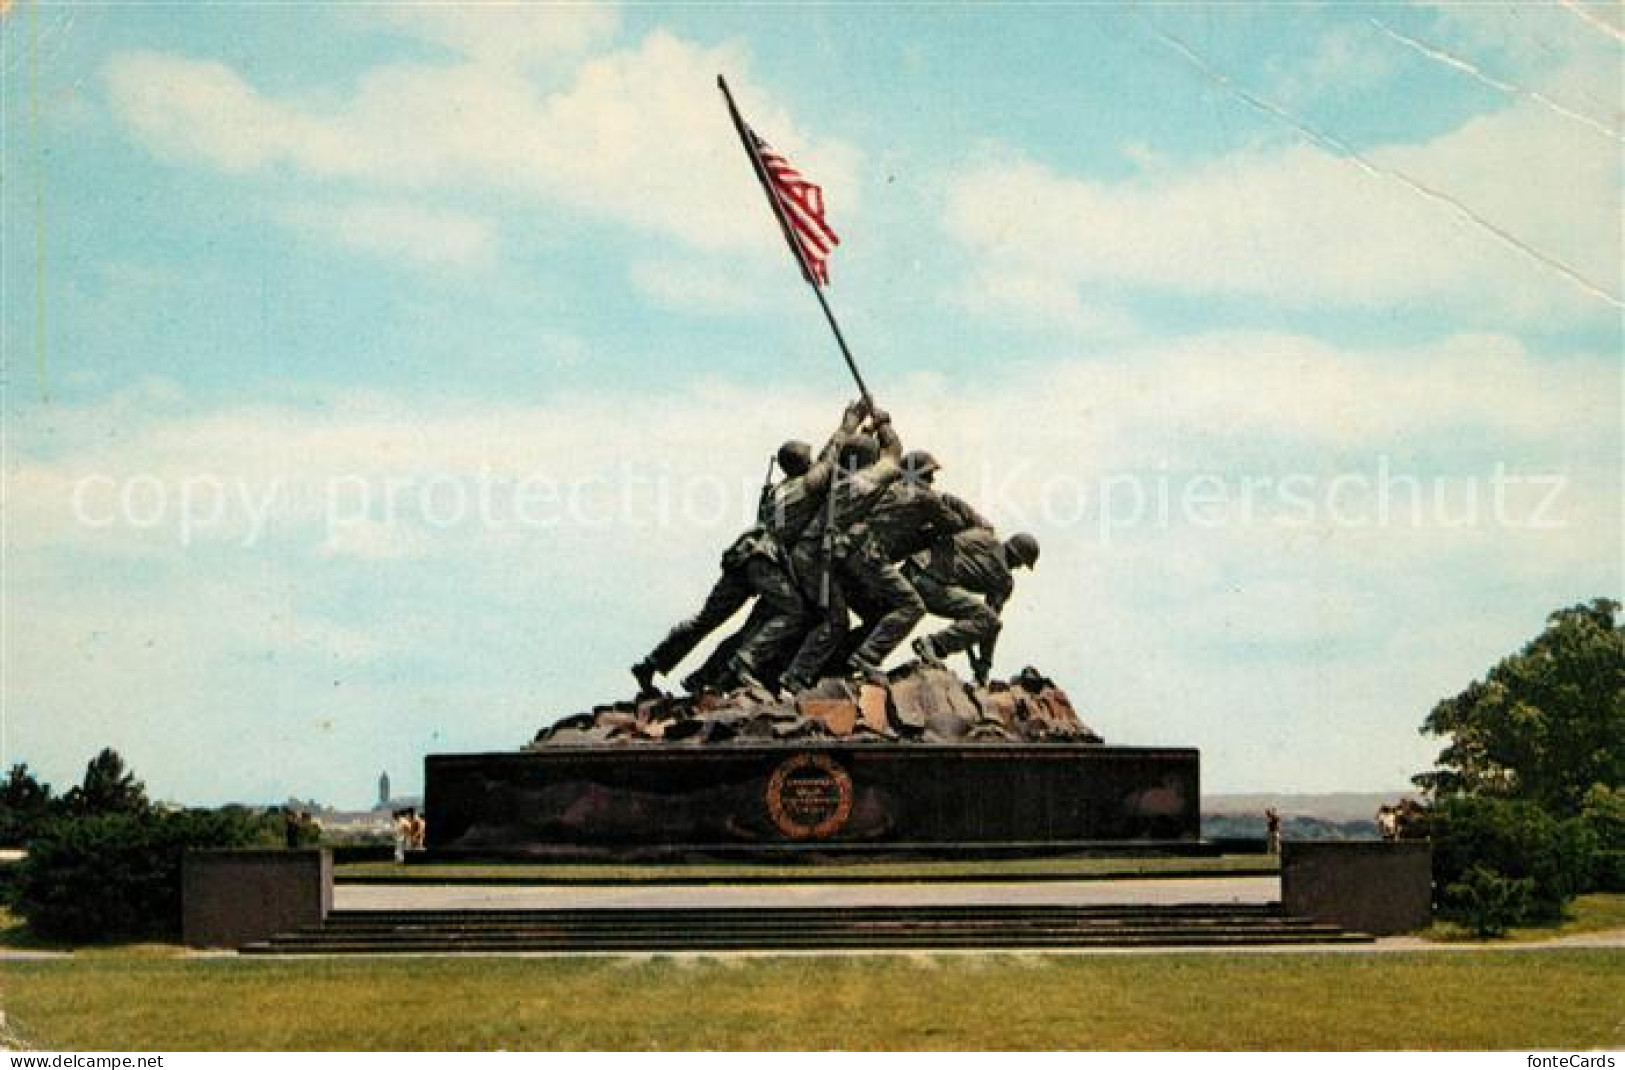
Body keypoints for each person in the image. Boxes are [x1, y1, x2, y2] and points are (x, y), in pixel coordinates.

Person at [630, 402, 863, 694]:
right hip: (763, 559)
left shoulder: (777, 491)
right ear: (803, 463)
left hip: (743, 554)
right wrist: (849, 424)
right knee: (795, 612)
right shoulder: (805, 486)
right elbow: (830, 458)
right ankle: (744, 663)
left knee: (706, 619)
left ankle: (652, 662)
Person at [779, 409, 921, 691]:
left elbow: (842, 452)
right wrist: (884, 425)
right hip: (817, 556)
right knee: (842, 619)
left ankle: (824, 668)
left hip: (813, 553)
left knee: (849, 615)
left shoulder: (839, 480)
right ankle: (800, 676)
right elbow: (894, 453)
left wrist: (861, 430)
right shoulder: (866, 481)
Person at [907, 530, 1040, 685]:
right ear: (1018, 557)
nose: (1018, 568)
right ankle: (933, 644)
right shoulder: (1004, 581)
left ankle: (934, 645)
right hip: (930, 582)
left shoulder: (986, 538)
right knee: (990, 620)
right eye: (1021, 563)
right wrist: (984, 664)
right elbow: (991, 623)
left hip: (914, 570)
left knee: (984, 617)